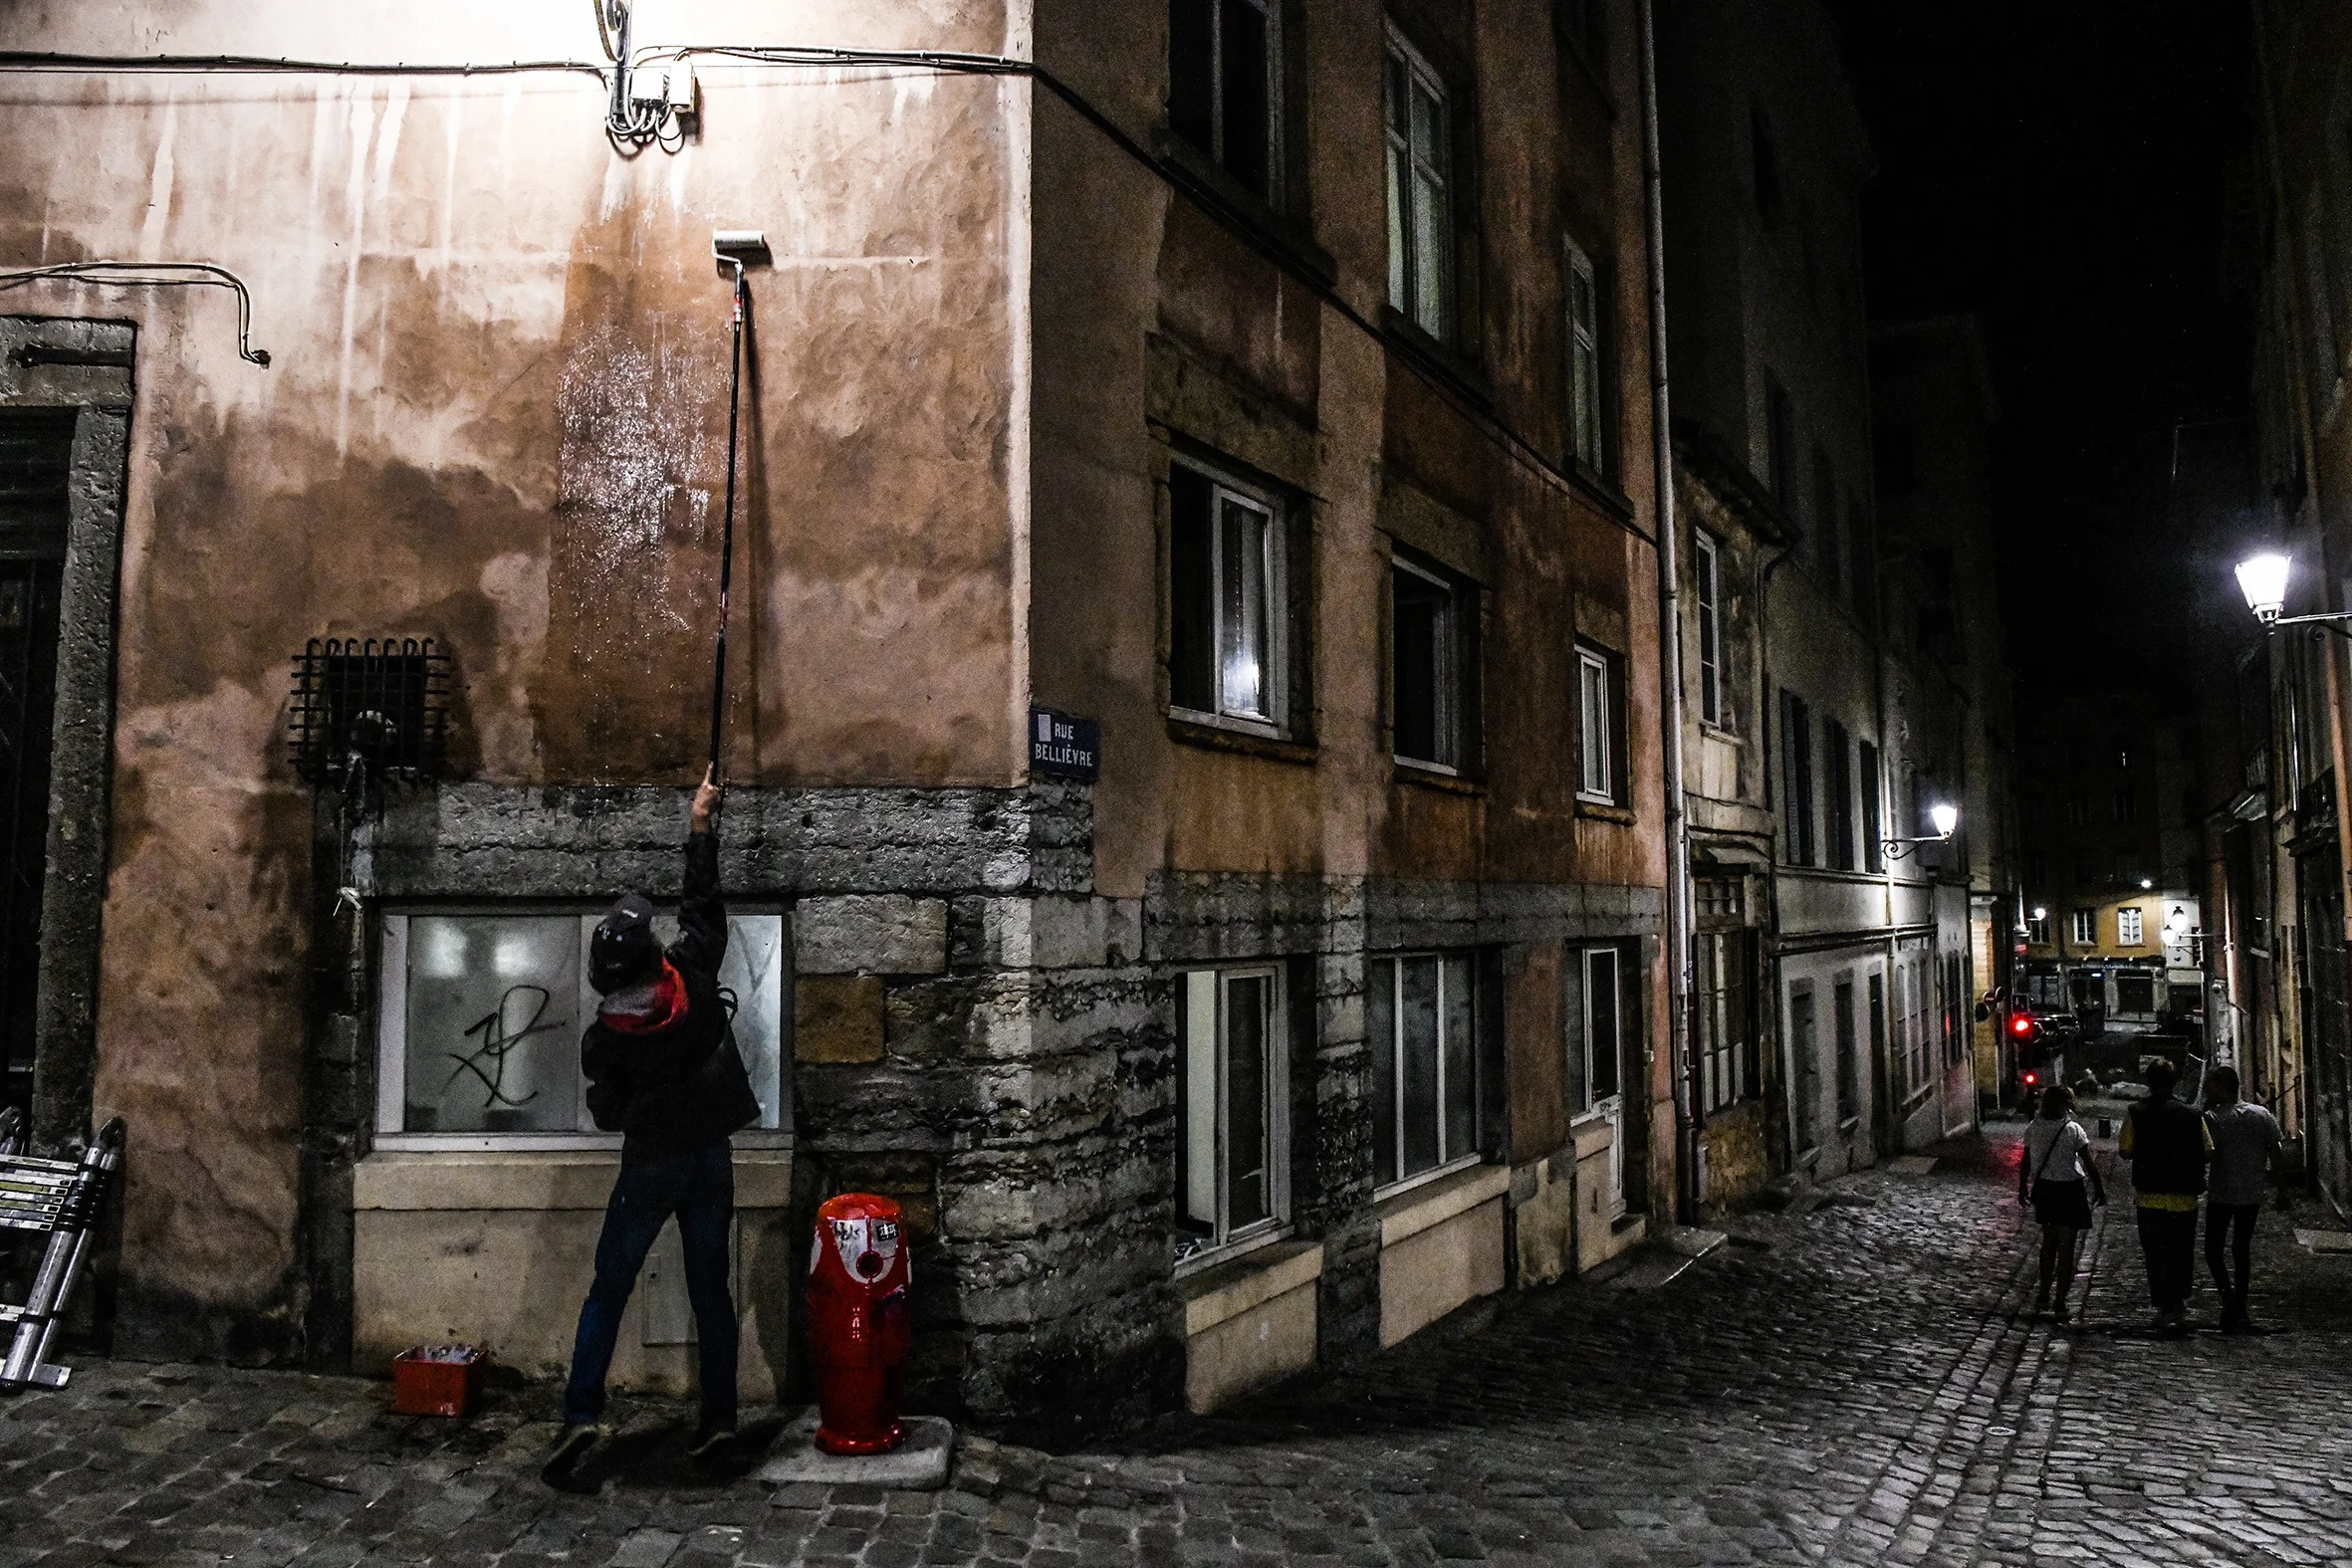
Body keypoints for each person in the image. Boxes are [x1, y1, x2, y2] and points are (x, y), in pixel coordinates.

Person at [543, 767, 762, 1486]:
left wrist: (638, 1110)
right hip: (710, 1159)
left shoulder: (608, 1036)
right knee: (711, 1292)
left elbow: (606, 1109)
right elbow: (704, 905)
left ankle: (581, 1414)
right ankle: (719, 1419)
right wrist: (701, 824)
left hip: (650, 1167)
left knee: (610, 1287)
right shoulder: (694, 980)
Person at [2117, 1057, 2212, 1334]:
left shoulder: (2136, 1111)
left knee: (2156, 1253)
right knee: (2181, 1251)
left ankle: (2163, 1305)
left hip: (2150, 1197)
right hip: (2184, 1198)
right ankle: (2179, 1303)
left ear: (2149, 1082)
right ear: (2174, 1082)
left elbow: (2125, 1150)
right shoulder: (2193, 1114)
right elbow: (2208, 1150)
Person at [2203, 1065, 2282, 1334]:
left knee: (2213, 1249)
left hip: (2222, 1194)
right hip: (2251, 1194)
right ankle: (2241, 1304)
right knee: (2241, 1250)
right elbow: (2277, 1151)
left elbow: (2207, 1154)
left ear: (2222, 1088)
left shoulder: (2213, 1118)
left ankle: (2228, 1296)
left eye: (2211, 1085)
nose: (2206, 1090)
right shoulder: (2262, 1115)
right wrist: (2281, 1189)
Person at [2017, 1083, 2106, 1322]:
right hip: (2070, 1190)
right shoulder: (2073, 1129)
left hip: (2046, 1189)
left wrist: (2022, 1186)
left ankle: (2044, 1293)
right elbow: (2088, 1162)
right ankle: (2060, 1301)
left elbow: (2026, 1161)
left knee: (2048, 1244)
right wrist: (2099, 1189)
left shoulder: (2034, 1127)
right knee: (2066, 1249)